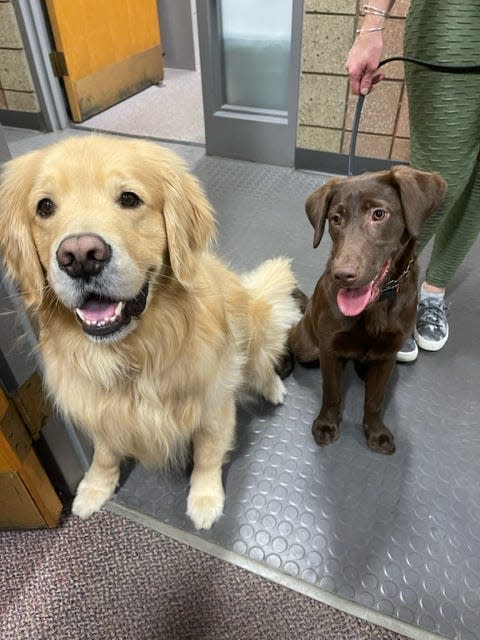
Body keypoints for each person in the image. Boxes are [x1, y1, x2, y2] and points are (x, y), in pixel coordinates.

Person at [345, 0, 480, 362]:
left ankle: (432, 293)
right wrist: (372, 25)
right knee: (440, 177)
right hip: (456, 18)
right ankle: (383, 290)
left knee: (478, 187)